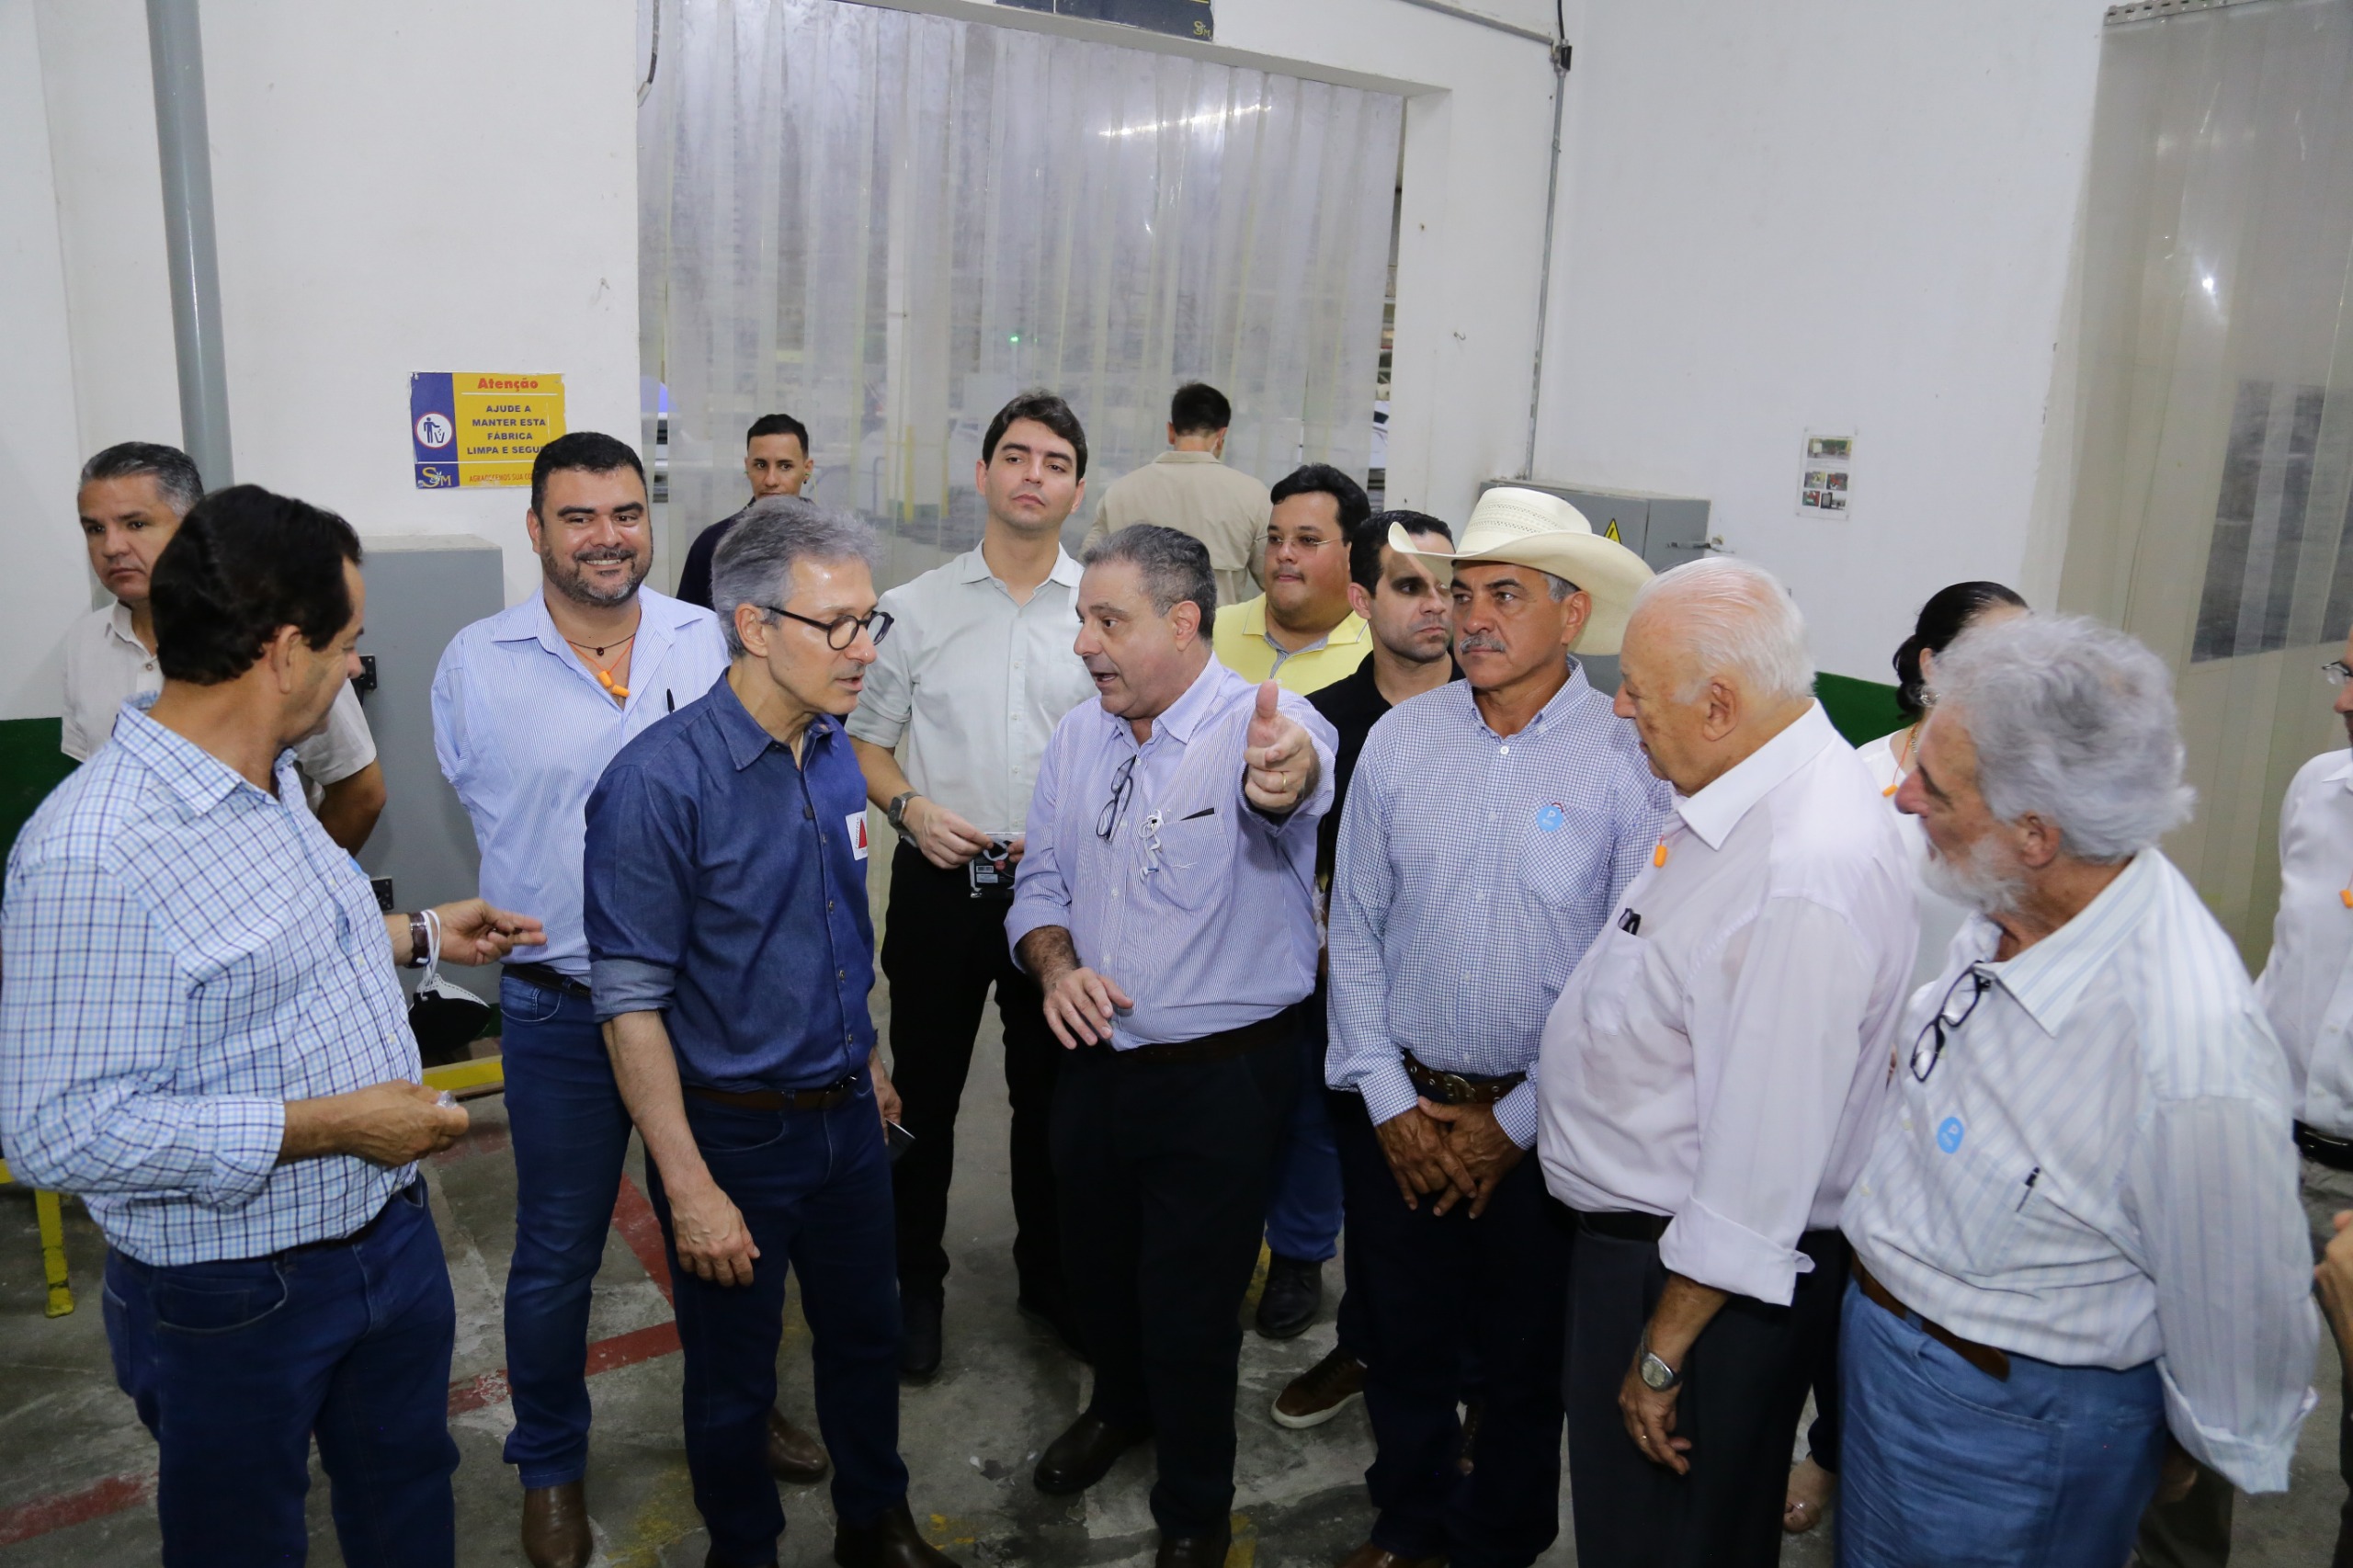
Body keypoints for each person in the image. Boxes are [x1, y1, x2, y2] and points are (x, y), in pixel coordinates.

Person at [0, 483, 543, 1568]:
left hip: (385, 1237)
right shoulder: (91, 853)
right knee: (241, 1537)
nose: (355, 665)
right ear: (286, 652)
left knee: (406, 1496)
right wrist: (334, 1125)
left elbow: (263, 953)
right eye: (347, 645)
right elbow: (56, 1129)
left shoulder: (271, 780)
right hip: (234, 1294)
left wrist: (422, 933)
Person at [1840, 613, 2317, 1567]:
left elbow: (2240, 1304)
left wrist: (2180, 1448)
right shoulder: (2004, 898)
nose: (1902, 796)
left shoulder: (2189, 1046)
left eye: (1935, 786)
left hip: (2013, 1432)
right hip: (1895, 1366)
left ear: (2035, 832)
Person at [432, 431, 826, 1567]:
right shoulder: (475, 663)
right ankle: (550, 1465)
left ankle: (743, 1412)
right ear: (536, 530)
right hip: (558, 1006)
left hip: (708, 1004)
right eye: (578, 517)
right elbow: (483, 801)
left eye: (625, 513)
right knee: (558, 1250)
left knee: (732, 1229)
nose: (606, 537)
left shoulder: (713, 639)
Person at [585, 498, 952, 1568]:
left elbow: (836, 924)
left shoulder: (833, 751)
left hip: (845, 1118)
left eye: (869, 620)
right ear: (751, 626)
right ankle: (743, 1548)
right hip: (733, 1133)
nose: (862, 648)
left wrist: (868, 1058)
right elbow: (630, 1001)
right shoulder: (658, 783)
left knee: (865, 1339)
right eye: (836, 624)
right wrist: (687, 1184)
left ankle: (874, 1526)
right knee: (734, 1376)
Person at [1537, 557, 1916, 1568]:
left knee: (1667, 1543)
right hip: (1651, 1257)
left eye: (1637, 690)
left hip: (1692, 1288)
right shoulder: (1744, 786)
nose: (1620, 709)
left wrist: (1662, 1352)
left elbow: (1760, 1167)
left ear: (1718, 704)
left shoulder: (1803, 868)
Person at [1325, 490, 1668, 1568]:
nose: (1470, 617)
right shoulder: (1399, 741)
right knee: (1404, 1341)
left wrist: (1512, 1122)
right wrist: (1388, 1099)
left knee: (1526, 1362)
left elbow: (1629, 973)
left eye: (1503, 595)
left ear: (1572, 613)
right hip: (1400, 1113)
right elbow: (1354, 926)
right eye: (1462, 592)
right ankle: (1407, 1518)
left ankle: (1498, 1537)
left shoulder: (1627, 759)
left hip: (1544, 1132)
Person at [1007, 525, 1334, 1568]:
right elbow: (1039, 884)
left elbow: (1295, 778)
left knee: (1191, 1307)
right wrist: (1057, 967)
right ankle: (1120, 1406)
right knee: (1097, 1273)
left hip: (1219, 1079)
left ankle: (1195, 1505)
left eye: (1109, 622)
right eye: (1082, 620)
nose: (1084, 643)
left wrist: (1284, 776)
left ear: (1184, 622)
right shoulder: (1079, 736)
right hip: (1091, 1059)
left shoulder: (1265, 725)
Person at [847, 392, 1097, 1379]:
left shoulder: (1099, 611)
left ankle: (1054, 1278)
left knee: (1054, 1099)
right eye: (1017, 456)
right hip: (942, 884)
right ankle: (914, 1283)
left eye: (1056, 462)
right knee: (924, 1095)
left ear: (1078, 488)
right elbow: (863, 742)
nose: (1034, 475)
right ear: (984, 473)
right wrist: (910, 809)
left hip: (1061, 895)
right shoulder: (914, 608)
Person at [1780, 578, 2029, 1538]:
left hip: (1962, 1086)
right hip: (1851, 1076)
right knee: (1829, 1275)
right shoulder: (1850, 781)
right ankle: (1825, 1442)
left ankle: (1851, 1452)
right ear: (1929, 666)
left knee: (1911, 1295)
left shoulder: (2021, 795)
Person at [2159, 628, 2353, 1568]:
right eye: (2346, 671)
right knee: (2196, 1396)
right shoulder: (2318, 790)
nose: (2342, 700)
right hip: (2269, 1146)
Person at [1268, 510, 1461, 1396]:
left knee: (1460, 1199)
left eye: (1449, 588)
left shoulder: (1493, 718)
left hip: (1463, 1012)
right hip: (1342, 993)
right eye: (1410, 586)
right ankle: (1346, 1316)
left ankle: (1466, 1381)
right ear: (1361, 600)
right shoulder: (1328, 725)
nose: (1437, 606)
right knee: (1335, 1146)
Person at [63, 440, 385, 851]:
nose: (112, 547)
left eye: (136, 524)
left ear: (193, 531)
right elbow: (87, 778)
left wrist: (299, 880)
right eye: (95, 529)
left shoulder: (271, 642)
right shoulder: (84, 643)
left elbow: (360, 792)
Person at [1082, 381, 1270, 608]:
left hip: (1134, 629)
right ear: (1222, 435)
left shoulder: (1119, 493)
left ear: (1171, 431)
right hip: (1216, 630)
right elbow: (1275, 579)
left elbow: (1086, 571)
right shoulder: (1253, 496)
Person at [1211, 464, 1373, 693]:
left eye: (1308, 540)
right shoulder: (1211, 633)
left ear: (1354, 553)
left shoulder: (1383, 651)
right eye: (1275, 539)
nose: (1284, 553)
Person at [675, 412, 814, 610]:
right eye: (760, 465)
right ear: (747, 467)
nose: (770, 480)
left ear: (807, 469)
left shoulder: (832, 543)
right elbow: (689, 622)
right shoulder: (713, 545)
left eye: (785, 466)